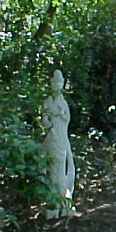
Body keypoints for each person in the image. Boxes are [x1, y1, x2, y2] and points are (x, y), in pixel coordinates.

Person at [42, 69, 75, 218]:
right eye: (55, 83)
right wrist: (50, 128)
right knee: (52, 169)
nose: (57, 86)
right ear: (51, 83)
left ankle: (63, 202)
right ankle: (52, 204)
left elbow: (67, 118)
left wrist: (62, 114)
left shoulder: (63, 102)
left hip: (62, 136)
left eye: (59, 84)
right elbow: (44, 120)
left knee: (63, 169)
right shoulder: (48, 101)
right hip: (52, 137)